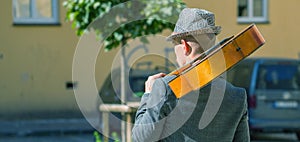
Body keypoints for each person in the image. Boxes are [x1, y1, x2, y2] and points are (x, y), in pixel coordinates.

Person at [132, 8, 250, 142]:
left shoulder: (166, 87)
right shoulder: (237, 96)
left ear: (184, 46)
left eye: (174, 45)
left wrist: (148, 95)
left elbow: (140, 138)